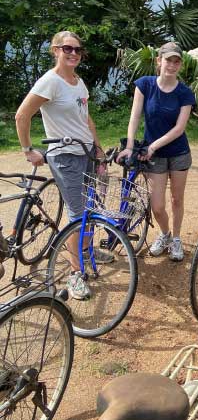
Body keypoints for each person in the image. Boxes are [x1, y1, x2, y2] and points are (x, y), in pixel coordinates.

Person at [15, 31, 110, 299]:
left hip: (86, 152)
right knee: (78, 215)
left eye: (78, 50)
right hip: (64, 156)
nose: (73, 54)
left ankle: (88, 250)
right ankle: (75, 275)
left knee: (91, 206)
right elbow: (22, 115)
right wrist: (28, 150)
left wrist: (99, 149)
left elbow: (86, 119)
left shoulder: (78, 83)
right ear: (55, 50)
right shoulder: (50, 82)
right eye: (67, 48)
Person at [117, 42, 196, 262]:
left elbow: (179, 128)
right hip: (155, 156)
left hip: (178, 152)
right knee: (157, 205)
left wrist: (152, 146)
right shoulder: (145, 85)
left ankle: (177, 238)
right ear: (159, 61)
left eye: (176, 61)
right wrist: (130, 145)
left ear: (180, 64)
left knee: (177, 199)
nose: (172, 64)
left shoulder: (185, 93)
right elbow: (134, 117)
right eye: (168, 60)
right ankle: (165, 234)